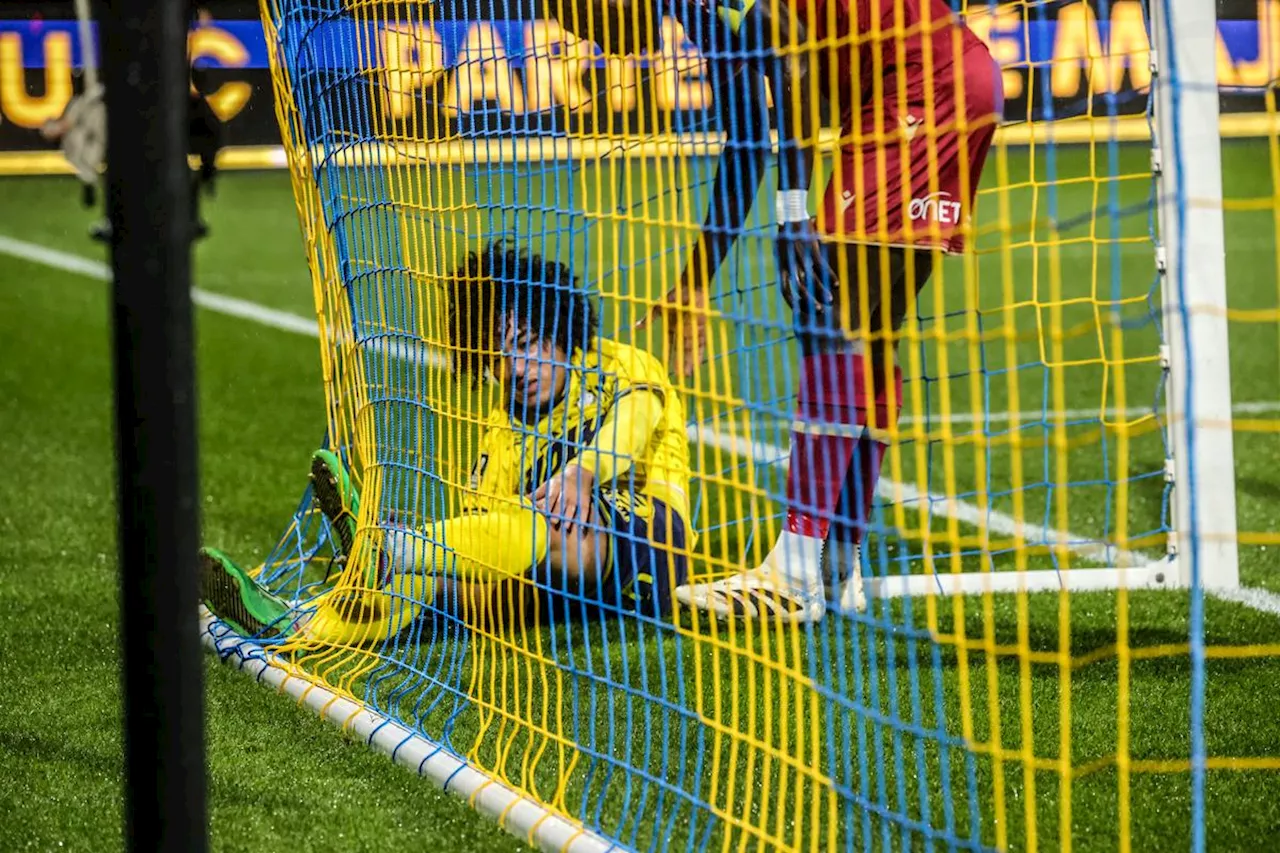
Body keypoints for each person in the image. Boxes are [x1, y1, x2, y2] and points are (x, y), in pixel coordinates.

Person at [554, 0, 1003, 622]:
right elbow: (746, 143)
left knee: (828, 317)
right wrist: (696, 279)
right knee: (872, 333)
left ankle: (792, 573)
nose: (590, 38)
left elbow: (788, 72)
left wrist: (794, 215)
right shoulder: (708, 16)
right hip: (965, 80)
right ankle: (835, 566)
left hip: (915, 91)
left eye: (581, 19)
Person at [200, 240, 693, 643]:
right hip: (558, 586)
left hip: (651, 547)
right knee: (442, 589)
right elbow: (491, 539)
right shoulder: (500, 434)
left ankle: (392, 547)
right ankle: (298, 625)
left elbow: (634, 423)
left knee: (553, 516)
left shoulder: (615, 365)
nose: (515, 369)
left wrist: (581, 474)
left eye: (525, 344)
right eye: (497, 355)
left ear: (558, 327)